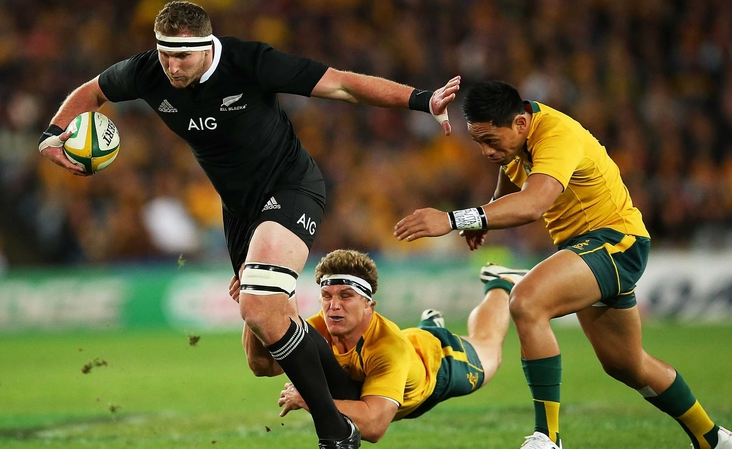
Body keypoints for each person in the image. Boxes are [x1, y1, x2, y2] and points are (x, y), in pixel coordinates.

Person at [37, 2, 460, 448]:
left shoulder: (251, 62)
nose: (172, 66)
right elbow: (93, 90)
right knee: (261, 357)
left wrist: (421, 99)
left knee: (258, 306)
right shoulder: (146, 72)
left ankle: (337, 434)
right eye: (165, 54)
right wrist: (52, 133)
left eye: (183, 56)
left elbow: (341, 85)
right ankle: (353, 395)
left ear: (207, 47)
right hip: (240, 212)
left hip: (291, 185)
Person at [393, 81, 732, 449]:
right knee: (626, 364)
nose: (485, 151)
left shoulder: (556, 136)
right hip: (589, 248)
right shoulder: (517, 137)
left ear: (520, 124)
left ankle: (548, 437)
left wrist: (455, 220)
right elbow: (511, 170)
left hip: (613, 241)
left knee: (527, 301)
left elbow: (533, 205)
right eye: (478, 141)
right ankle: (713, 438)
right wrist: (488, 211)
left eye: (490, 140)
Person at [246, 248, 524, 443]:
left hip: (439, 364)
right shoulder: (319, 327)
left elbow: (374, 426)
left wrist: (310, 399)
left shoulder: (387, 348)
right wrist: (252, 303)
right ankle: (431, 323)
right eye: (327, 295)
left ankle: (500, 282)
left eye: (346, 295)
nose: (333, 306)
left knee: (489, 347)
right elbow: (263, 366)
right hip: (405, 355)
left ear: (369, 302)